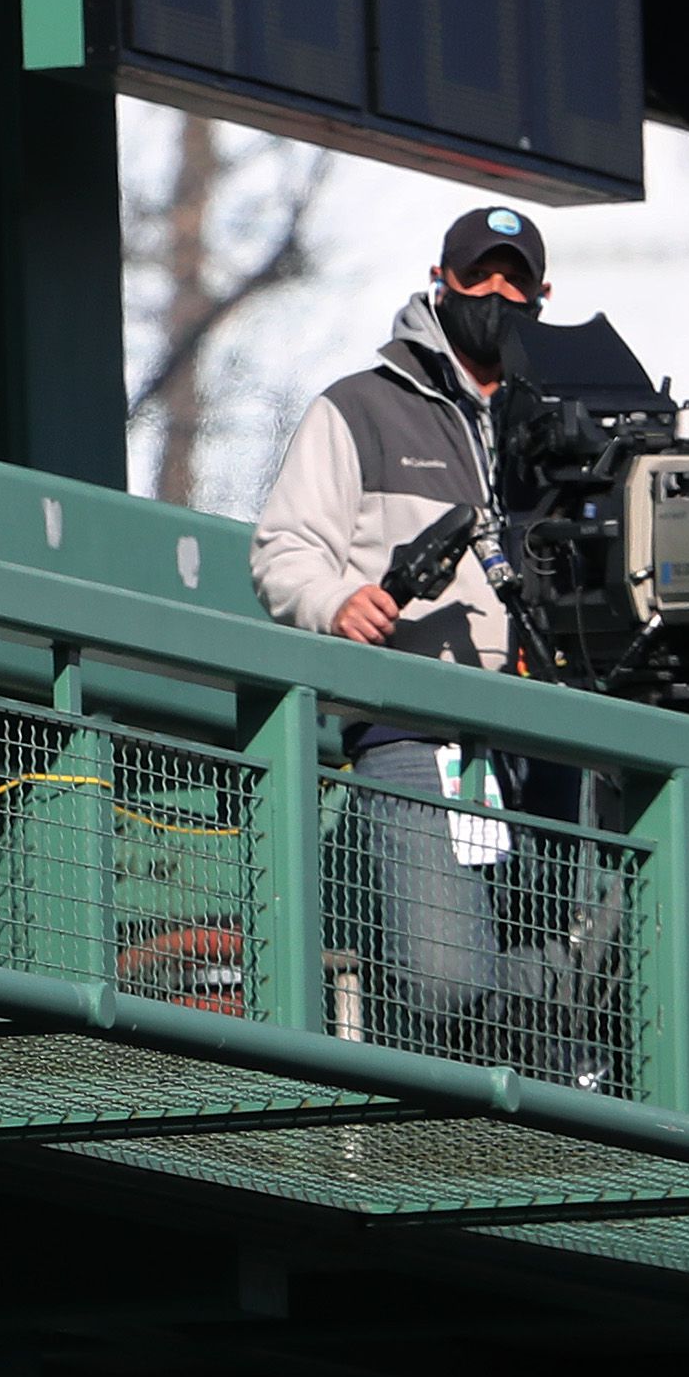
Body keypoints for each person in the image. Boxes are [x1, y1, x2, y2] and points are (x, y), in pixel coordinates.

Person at [252, 206, 603, 1055]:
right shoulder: (360, 407)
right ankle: (450, 1124)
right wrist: (336, 600)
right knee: (444, 978)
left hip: (548, 737)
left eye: (515, 276)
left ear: (543, 292)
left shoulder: (574, 421)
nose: (496, 290)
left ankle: (524, 1143)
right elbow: (281, 548)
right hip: (414, 728)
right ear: (440, 279)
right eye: (479, 272)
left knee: (551, 983)